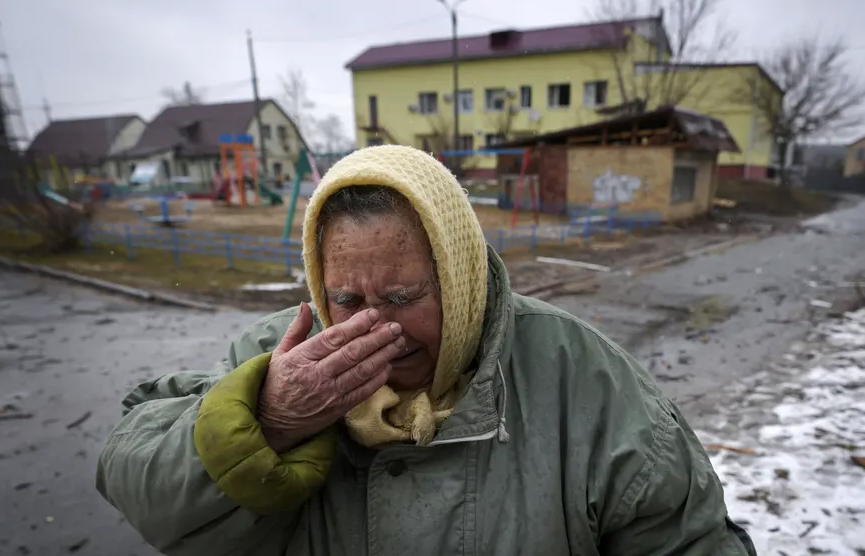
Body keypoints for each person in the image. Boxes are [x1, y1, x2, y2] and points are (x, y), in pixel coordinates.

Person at [97, 145, 756, 556]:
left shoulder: (581, 377)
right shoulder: (278, 356)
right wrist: (266, 421)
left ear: (461, 281)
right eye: (346, 299)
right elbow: (139, 480)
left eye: (404, 295)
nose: (376, 328)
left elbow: (687, 540)